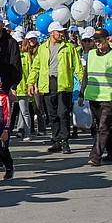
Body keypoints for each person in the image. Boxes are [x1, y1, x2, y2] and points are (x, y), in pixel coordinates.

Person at [80, 30, 112, 167]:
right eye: (96, 40)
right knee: (102, 126)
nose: (98, 42)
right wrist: (82, 94)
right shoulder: (91, 55)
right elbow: (86, 76)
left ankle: (95, 156)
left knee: (103, 127)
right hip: (94, 96)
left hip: (108, 97)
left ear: (107, 39)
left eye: (100, 39)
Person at [34, 22, 79, 154]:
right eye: (58, 32)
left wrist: (82, 82)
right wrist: (31, 82)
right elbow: (36, 66)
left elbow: (77, 66)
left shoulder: (69, 47)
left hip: (63, 83)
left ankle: (65, 141)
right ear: (51, 33)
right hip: (48, 83)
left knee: (63, 113)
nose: (61, 34)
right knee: (52, 114)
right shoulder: (43, 48)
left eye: (62, 31)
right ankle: (56, 140)